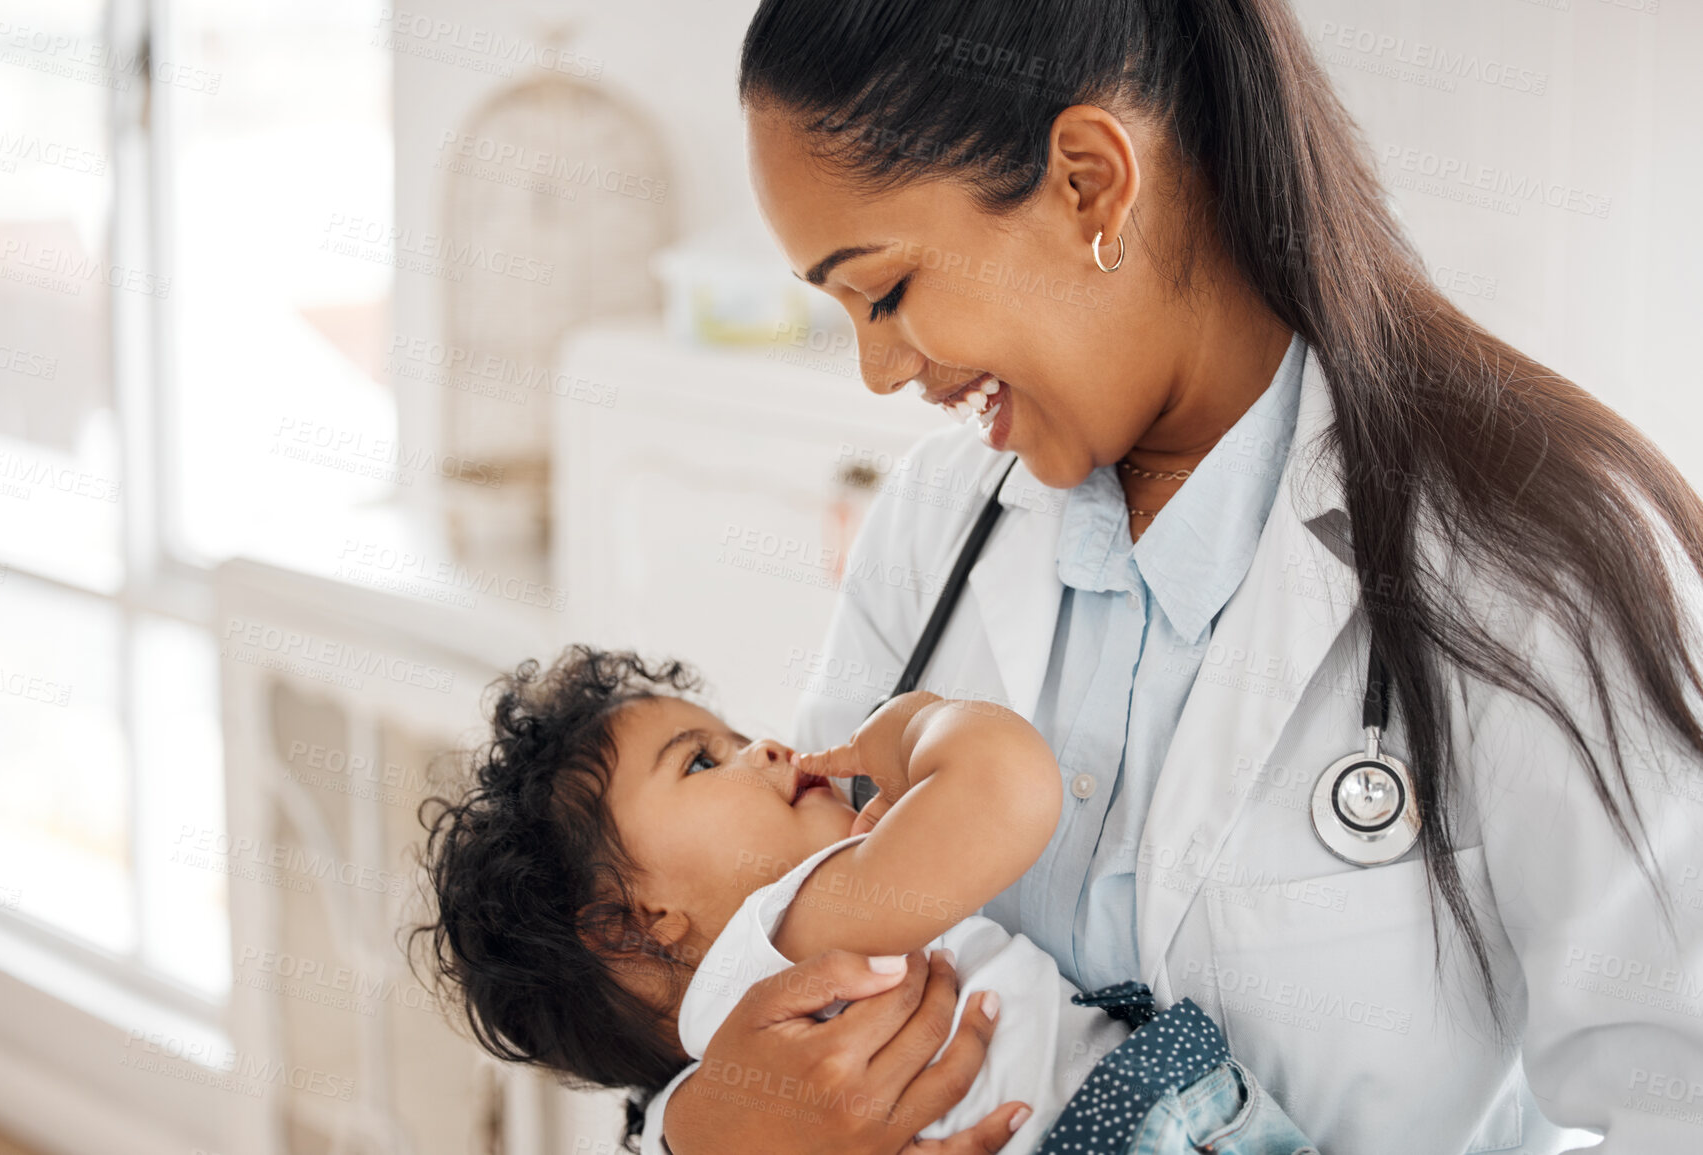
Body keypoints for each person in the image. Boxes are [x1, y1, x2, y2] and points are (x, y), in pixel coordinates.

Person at [651, 1, 1703, 1153]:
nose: (878, 367)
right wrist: (701, 1135)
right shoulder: (934, 527)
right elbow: (770, 982)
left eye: (888, 289)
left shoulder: (1540, 562)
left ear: (1091, 184)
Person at [412, 647, 1319, 1154]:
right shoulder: (783, 938)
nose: (766, 747)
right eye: (700, 759)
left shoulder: (689, 1108)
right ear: (634, 926)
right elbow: (1007, 788)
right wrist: (919, 727)